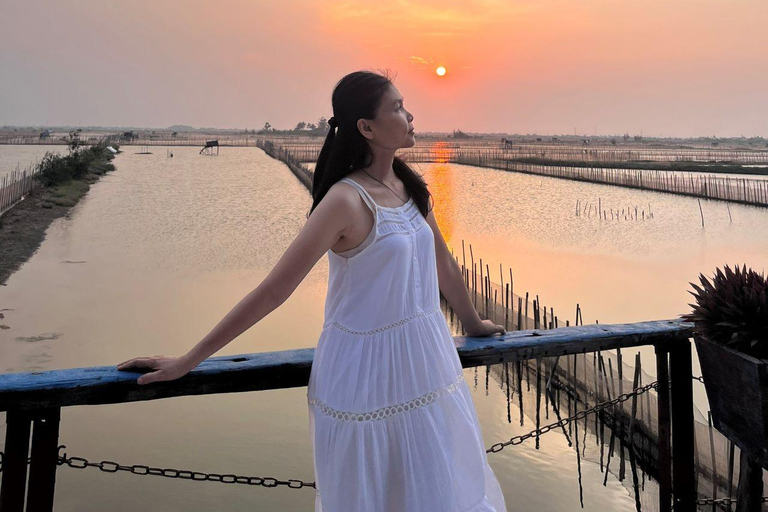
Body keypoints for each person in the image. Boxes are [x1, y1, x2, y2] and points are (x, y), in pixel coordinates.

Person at [117, 70, 508, 512]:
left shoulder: (409, 185)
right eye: (398, 107)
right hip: (363, 373)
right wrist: (189, 359)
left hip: (425, 359)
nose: (410, 114)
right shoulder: (344, 200)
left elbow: (443, 263)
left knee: (436, 487)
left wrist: (473, 323)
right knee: (375, 495)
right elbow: (273, 291)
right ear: (366, 127)